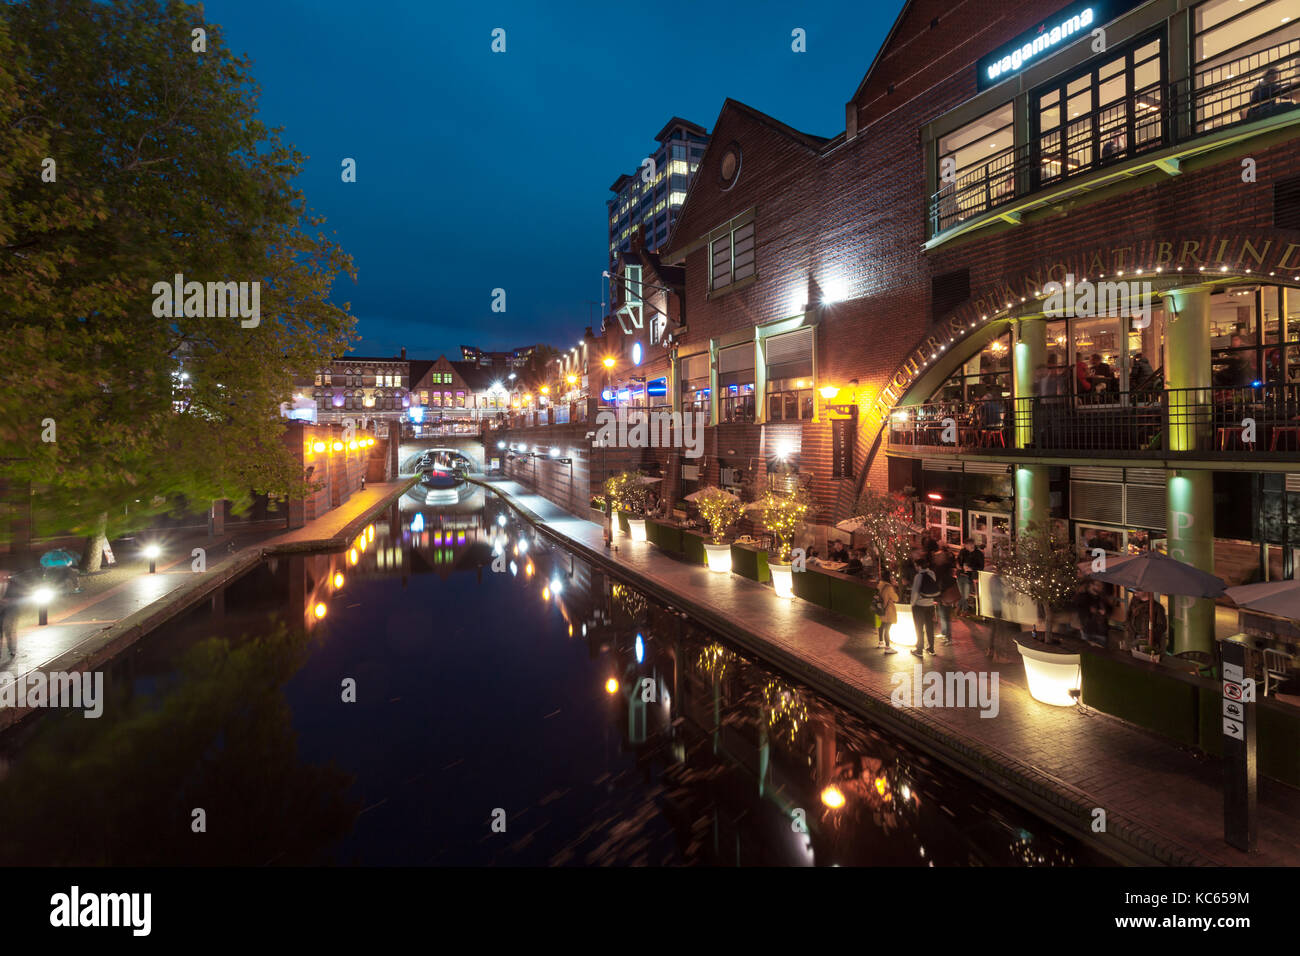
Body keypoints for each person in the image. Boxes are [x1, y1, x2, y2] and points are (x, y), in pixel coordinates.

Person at [910, 558, 940, 656]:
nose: (915, 567)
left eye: (916, 565)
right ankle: (931, 648)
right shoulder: (932, 573)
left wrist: (912, 604)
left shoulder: (918, 576)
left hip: (919, 605)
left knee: (919, 628)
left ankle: (919, 650)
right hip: (930, 604)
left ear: (919, 566)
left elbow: (915, 592)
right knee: (930, 627)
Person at [1075, 580, 1115, 648]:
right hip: (1087, 630)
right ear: (1091, 585)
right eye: (1097, 585)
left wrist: (1105, 611)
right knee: (1087, 652)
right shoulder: (1083, 597)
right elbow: (1078, 610)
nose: (1099, 587)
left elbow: (1110, 611)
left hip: (1101, 632)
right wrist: (1089, 610)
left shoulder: (1102, 598)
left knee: (1101, 653)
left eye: (1101, 586)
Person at [931, 543, 957, 642]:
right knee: (942, 614)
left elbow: (943, 581)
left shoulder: (943, 568)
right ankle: (944, 632)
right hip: (942, 594)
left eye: (937, 557)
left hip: (944, 594)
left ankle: (948, 636)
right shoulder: (941, 567)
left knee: (945, 615)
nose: (935, 559)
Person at [957, 537, 985, 614]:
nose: (965, 547)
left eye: (966, 545)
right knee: (962, 593)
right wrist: (958, 565)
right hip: (961, 574)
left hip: (970, 576)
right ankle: (964, 609)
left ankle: (961, 607)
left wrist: (971, 568)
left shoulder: (979, 554)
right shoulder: (963, 551)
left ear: (971, 545)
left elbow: (981, 567)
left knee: (965, 595)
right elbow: (958, 559)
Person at [875, 568, 899, 654]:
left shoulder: (880, 584)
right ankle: (887, 647)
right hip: (888, 610)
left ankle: (881, 642)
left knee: (881, 626)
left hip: (880, 608)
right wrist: (895, 587)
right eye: (891, 576)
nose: (893, 578)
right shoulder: (889, 587)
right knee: (887, 629)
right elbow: (896, 598)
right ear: (889, 577)